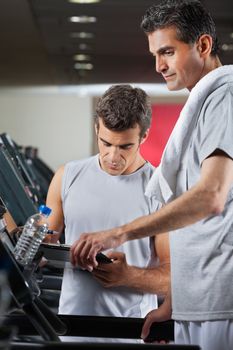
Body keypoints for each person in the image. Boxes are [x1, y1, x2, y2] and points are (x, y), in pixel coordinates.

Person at [70, 1, 233, 349]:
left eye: (168, 52)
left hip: (221, 303)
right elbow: (196, 227)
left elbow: (212, 197)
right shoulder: (203, 105)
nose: (159, 65)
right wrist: (174, 304)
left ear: (203, 46)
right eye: (155, 54)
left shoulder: (226, 97)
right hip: (197, 302)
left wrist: (118, 234)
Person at [46, 85, 170, 327]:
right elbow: (45, 245)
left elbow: (173, 279)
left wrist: (128, 276)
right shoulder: (66, 176)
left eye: (125, 147)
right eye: (106, 143)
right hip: (71, 327)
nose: (113, 156)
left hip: (128, 332)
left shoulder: (161, 192)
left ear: (143, 137)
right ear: (96, 129)